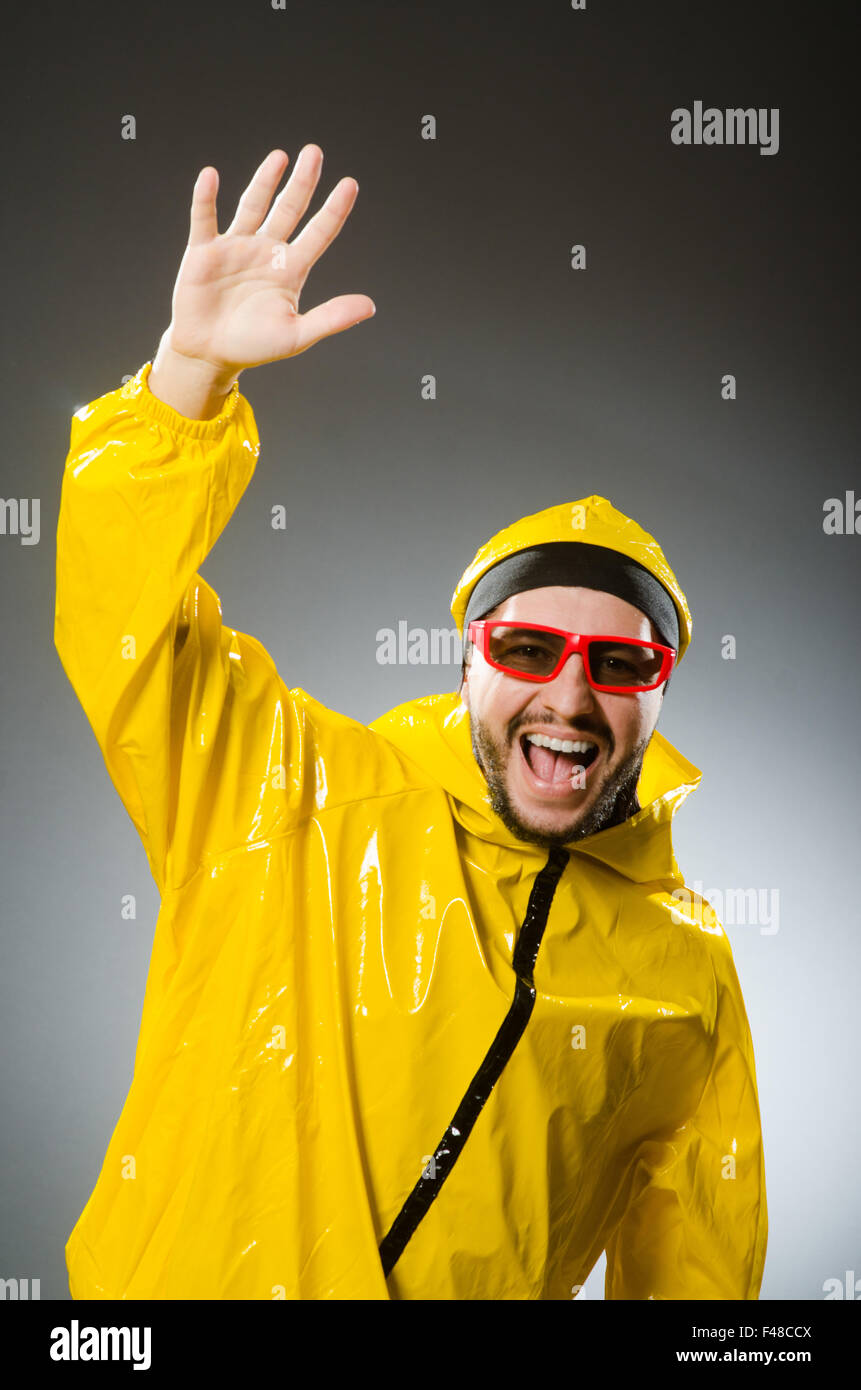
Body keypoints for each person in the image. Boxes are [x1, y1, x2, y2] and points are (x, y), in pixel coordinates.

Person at [54, 146, 767, 1300]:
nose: (570, 697)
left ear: (662, 689)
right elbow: (119, 624)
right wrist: (187, 374)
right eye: (528, 648)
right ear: (470, 658)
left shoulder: (689, 975)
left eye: (620, 661)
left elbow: (699, 1274)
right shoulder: (290, 787)